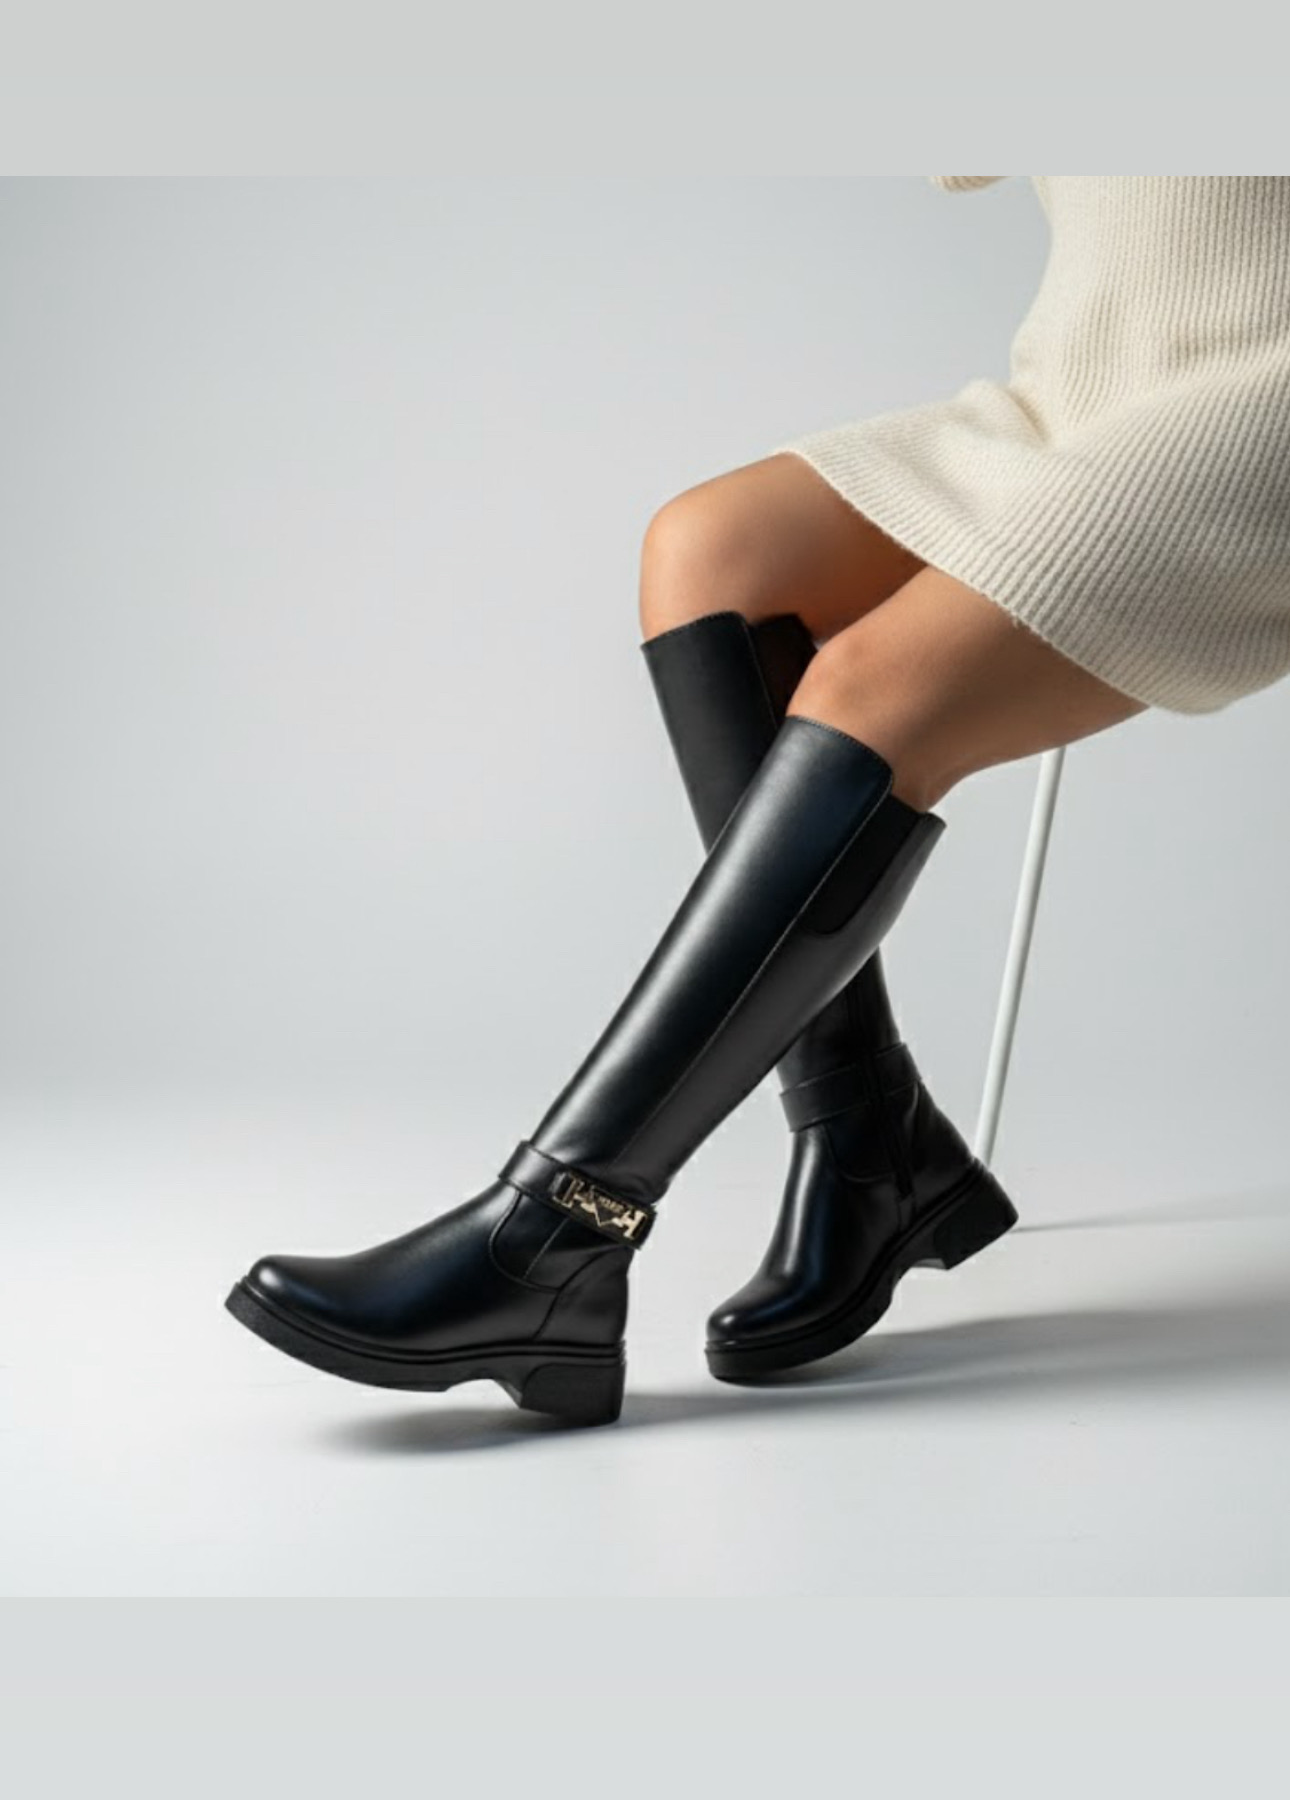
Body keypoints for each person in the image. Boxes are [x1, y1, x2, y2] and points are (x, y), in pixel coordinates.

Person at [226, 176, 1290, 1426]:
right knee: (707, 553)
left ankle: (556, 1235)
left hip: (1257, 402)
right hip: (1090, 383)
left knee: (873, 690)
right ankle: (867, 1137)